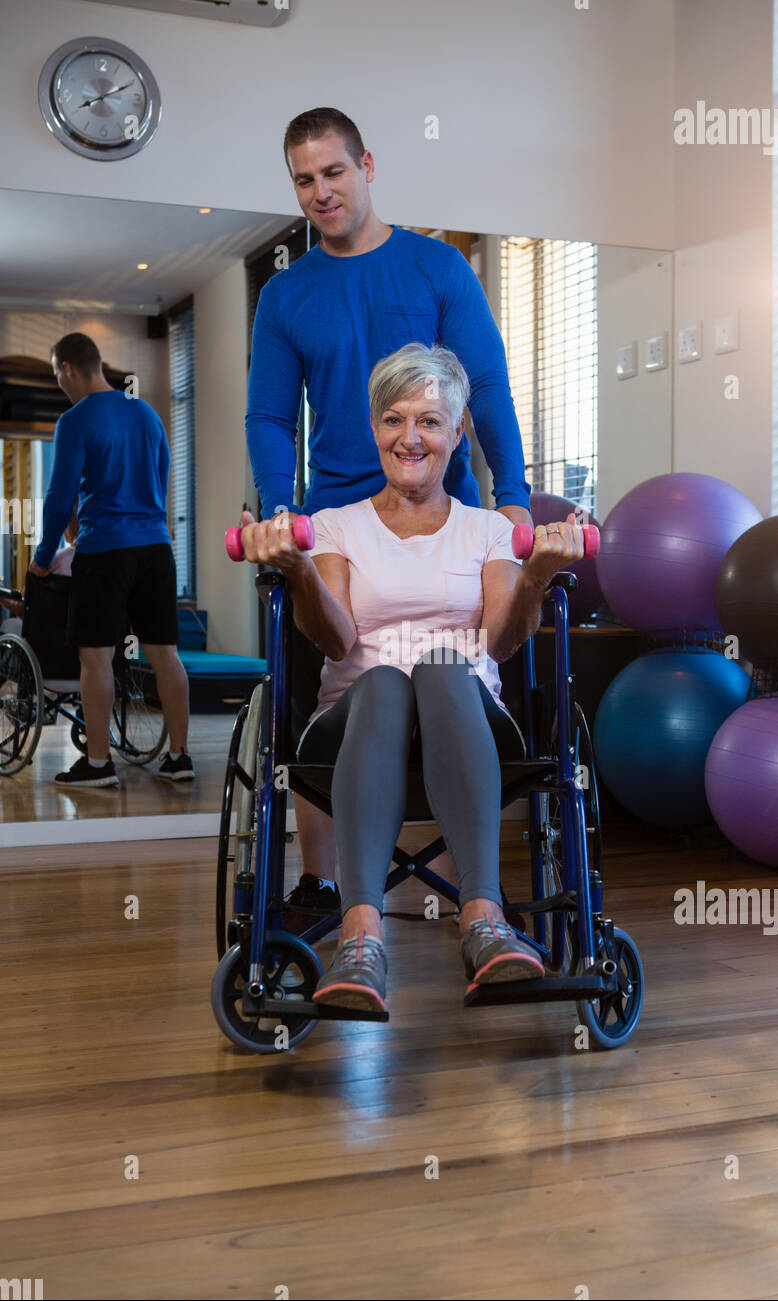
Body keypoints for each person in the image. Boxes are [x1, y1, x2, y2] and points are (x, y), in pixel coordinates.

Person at [246, 105, 532, 932]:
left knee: (458, 670)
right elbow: (270, 416)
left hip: (445, 506)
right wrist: (281, 509)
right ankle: (319, 880)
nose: (321, 193)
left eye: (334, 173)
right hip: (339, 521)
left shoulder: (437, 268)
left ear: (366, 166)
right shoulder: (286, 294)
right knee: (332, 685)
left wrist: (510, 487)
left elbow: (485, 383)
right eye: (304, 180)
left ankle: (449, 884)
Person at [236, 344, 582, 1012]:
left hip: (469, 725)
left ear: (457, 433)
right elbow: (335, 639)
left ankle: (483, 919)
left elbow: (501, 644)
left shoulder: (488, 530)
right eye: (393, 420)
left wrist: (536, 574)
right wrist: (298, 568)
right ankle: (361, 938)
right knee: (386, 681)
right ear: (374, 431)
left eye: (429, 420)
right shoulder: (334, 526)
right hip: (354, 729)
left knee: (445, 666)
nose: (410, 437)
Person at [30, 332, 193, 787]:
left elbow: (59, 497)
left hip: (105, 553)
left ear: (66, 369)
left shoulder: (75, 420)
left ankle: (98, 763)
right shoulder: (146, 413)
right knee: (166, 656)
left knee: (96, 659)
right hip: (155, 549)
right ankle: (180, 758)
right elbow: (160, 484)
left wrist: (43, 558)